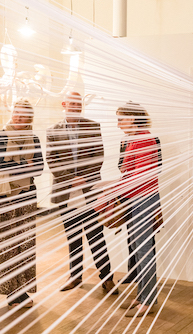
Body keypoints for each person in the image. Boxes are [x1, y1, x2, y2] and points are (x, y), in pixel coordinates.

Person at [46, 91, 117, 294]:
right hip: (65, 192)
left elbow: (98, 156)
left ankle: (107, 278)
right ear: (64, 104)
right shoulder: (53, 131)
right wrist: (71, 179)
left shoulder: (93, 126)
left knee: (96, 235)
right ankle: (75, 276)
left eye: (78, 104)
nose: (76, 107)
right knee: (73, 236)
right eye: (72, 103)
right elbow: (51, 160)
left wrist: (83, 178)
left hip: (89, 190)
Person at [0, 99, 44, 308]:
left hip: (28, 194)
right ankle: (10, 292)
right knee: (7, 246)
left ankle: (22, 290)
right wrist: (26, 164)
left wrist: (18, 164)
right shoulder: (1, 136)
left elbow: (39, 169)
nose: (18, 117)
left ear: (29, 118)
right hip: (4, 196)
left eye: (23, 115)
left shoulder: (34, 138)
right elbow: (0, 164)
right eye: (16, 112)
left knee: (25, 244)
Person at [116, 102, 160, 316]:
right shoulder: (136, 139)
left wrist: (112, 186)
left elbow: (140, 176)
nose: (118, 124)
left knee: (144, 251)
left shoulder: (143, 139)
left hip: (143, 199)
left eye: (120, 119)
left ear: (132, 118)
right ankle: (143, 296)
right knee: (139, 249)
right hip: (137, 198)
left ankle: (148, 301)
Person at [118, 133, 163, 284]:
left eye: (121, 119)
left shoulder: (151, 140)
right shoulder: (124, 141)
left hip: (144, 195)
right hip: (129, 194)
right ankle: (134, 272)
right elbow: (121, 166)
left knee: (146, 240)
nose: (119, 124)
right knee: (131, 237)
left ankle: (148, 280)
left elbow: (158, 167)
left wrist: (132, 175)